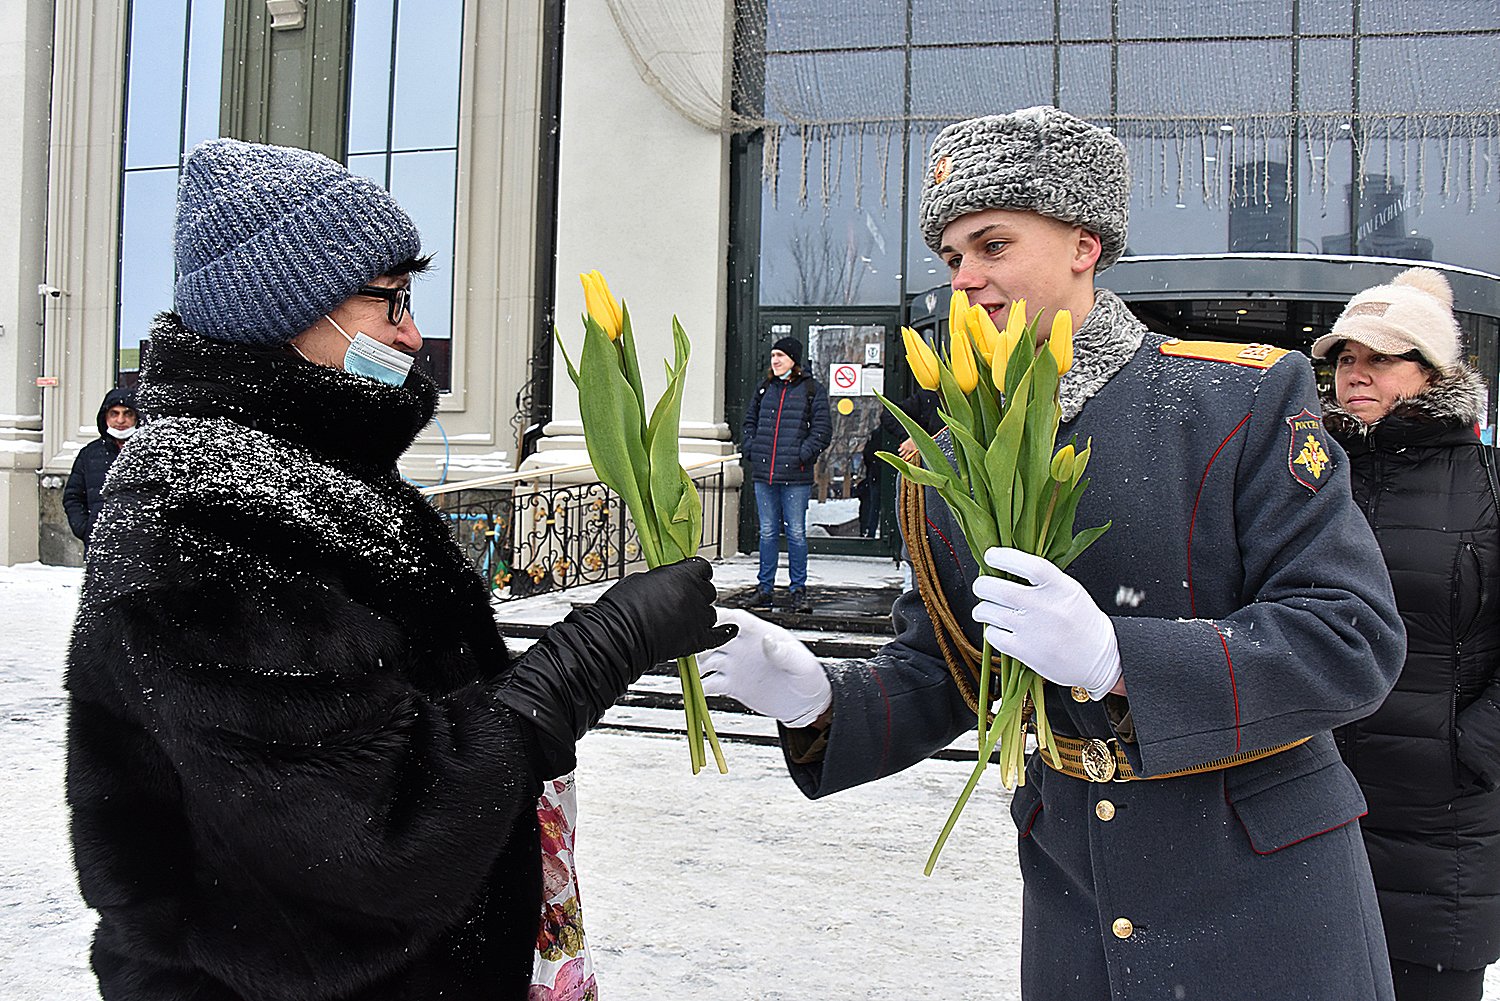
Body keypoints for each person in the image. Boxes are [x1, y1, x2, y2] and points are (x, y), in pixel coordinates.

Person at [701, 106, 1407, 998]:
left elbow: (1350, 638)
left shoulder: (1236, 401)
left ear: (1084, 242)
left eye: (993, 245)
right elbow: (955, 667)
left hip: (1261, 894)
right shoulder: (942, 455)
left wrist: (1124, 659)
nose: (966, 278)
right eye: (953, 256)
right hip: (1076, 901)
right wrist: (816, 701)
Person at [64, 138, 733, 1001]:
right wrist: (599, 647)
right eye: (391, 301)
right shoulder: (205, 509)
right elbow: (366, 835)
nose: (412, 332)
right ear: (286, 309)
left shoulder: (313, 473)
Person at [1312, 267, 1500, 1001]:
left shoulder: (1488, 483)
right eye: (1347, 358)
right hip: (1308, 792)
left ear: (1431, 372)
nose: (1356, 373)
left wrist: (1475, 746)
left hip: (1440, 819)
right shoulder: (1307, 475)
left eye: (1380, 357)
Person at [741, 336, 830, 612]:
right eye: (772, 356)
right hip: (764, 475)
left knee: (796, 534)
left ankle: (797, 590)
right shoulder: (765, 388)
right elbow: (749, 423)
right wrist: (752, 449)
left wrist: (802, 455)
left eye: (780, 355)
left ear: (794, 359)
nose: (775, 360)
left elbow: (822, 430)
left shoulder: (811, 389)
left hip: (796, 477)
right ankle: (764, 589)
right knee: (767, 533)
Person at [62, 388, 138, 546]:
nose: (120, 420)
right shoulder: (90, 454)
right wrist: (86, 529)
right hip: (100, 546)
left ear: (137, 417)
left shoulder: (149, 451)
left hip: (141, 547)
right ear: (105, 417)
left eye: (127, 414)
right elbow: (73, 497)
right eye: (114, 414)